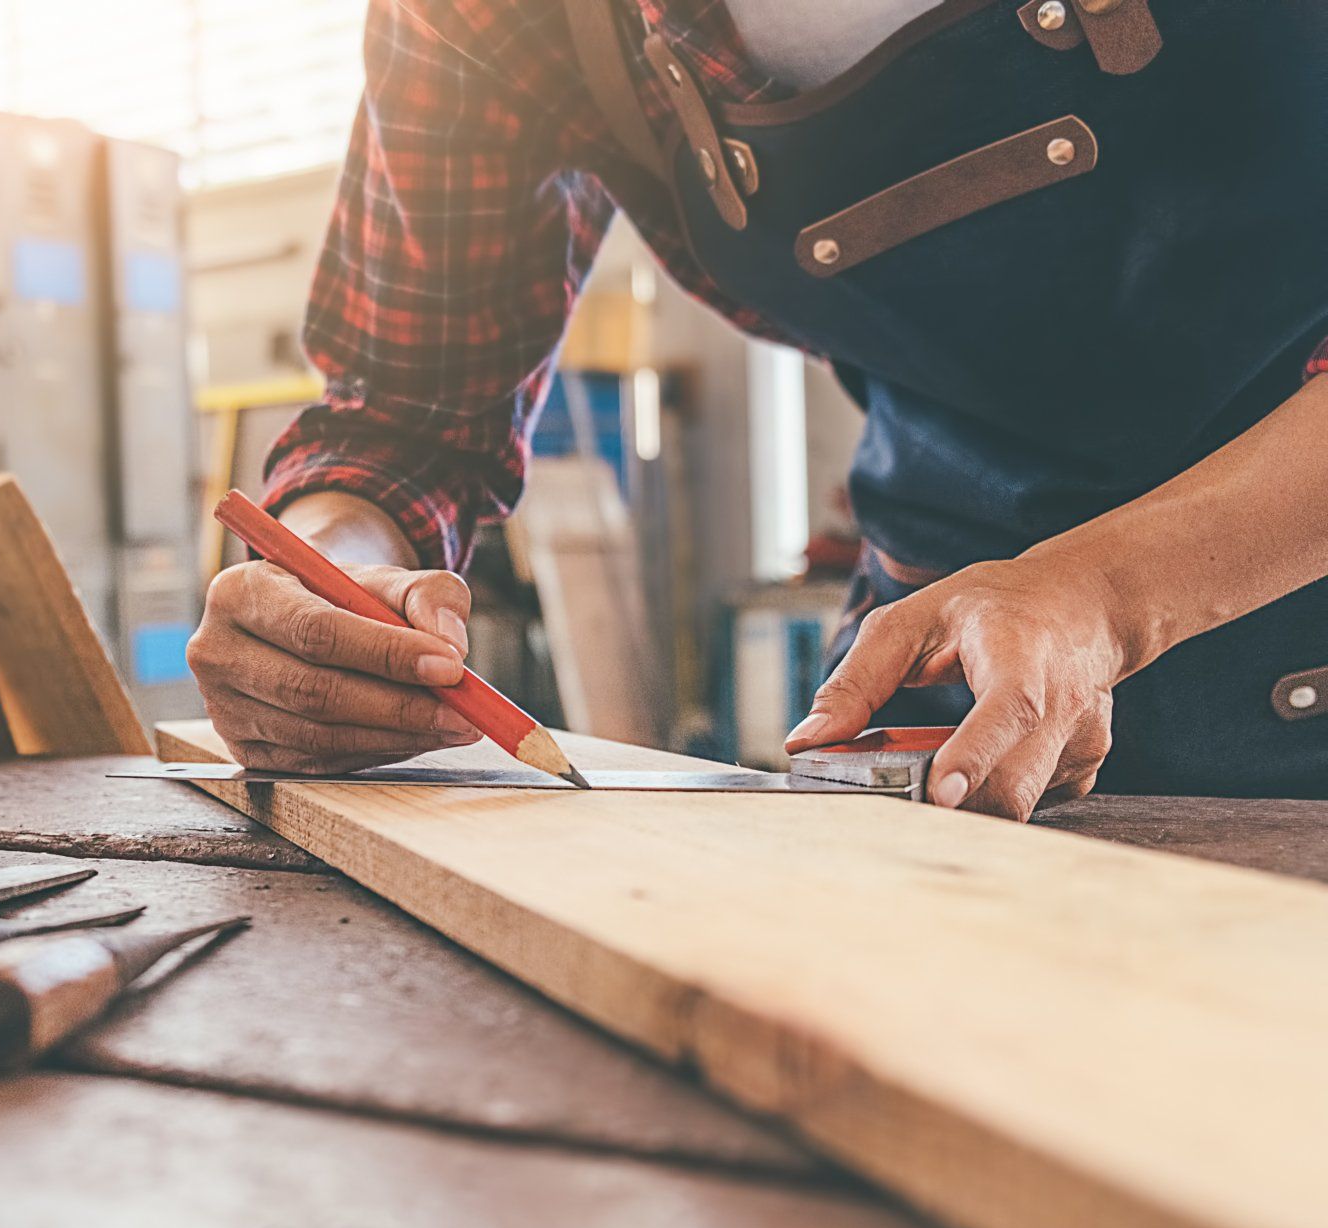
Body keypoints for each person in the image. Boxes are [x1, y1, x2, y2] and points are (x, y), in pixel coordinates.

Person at [185, 0, 1328, 820]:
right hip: (932, 729)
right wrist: (322, 581)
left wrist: (1105, 590)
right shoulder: (489, 19)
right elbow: (402, 420)